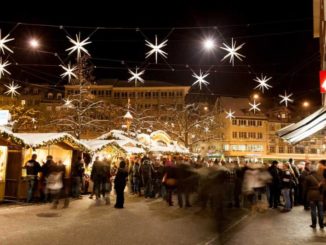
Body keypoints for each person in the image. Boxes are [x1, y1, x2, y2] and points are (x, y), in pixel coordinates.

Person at [304, 163, 325, 229]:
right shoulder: (322, 176)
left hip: (311, 195)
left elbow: (305, 188)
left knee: (313, 210)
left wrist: (304, 197)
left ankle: (314, 224)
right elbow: (324, 187)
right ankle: (321, 225)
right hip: (320, 196)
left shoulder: (308, 177)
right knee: (321, 211)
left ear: (310, 170)